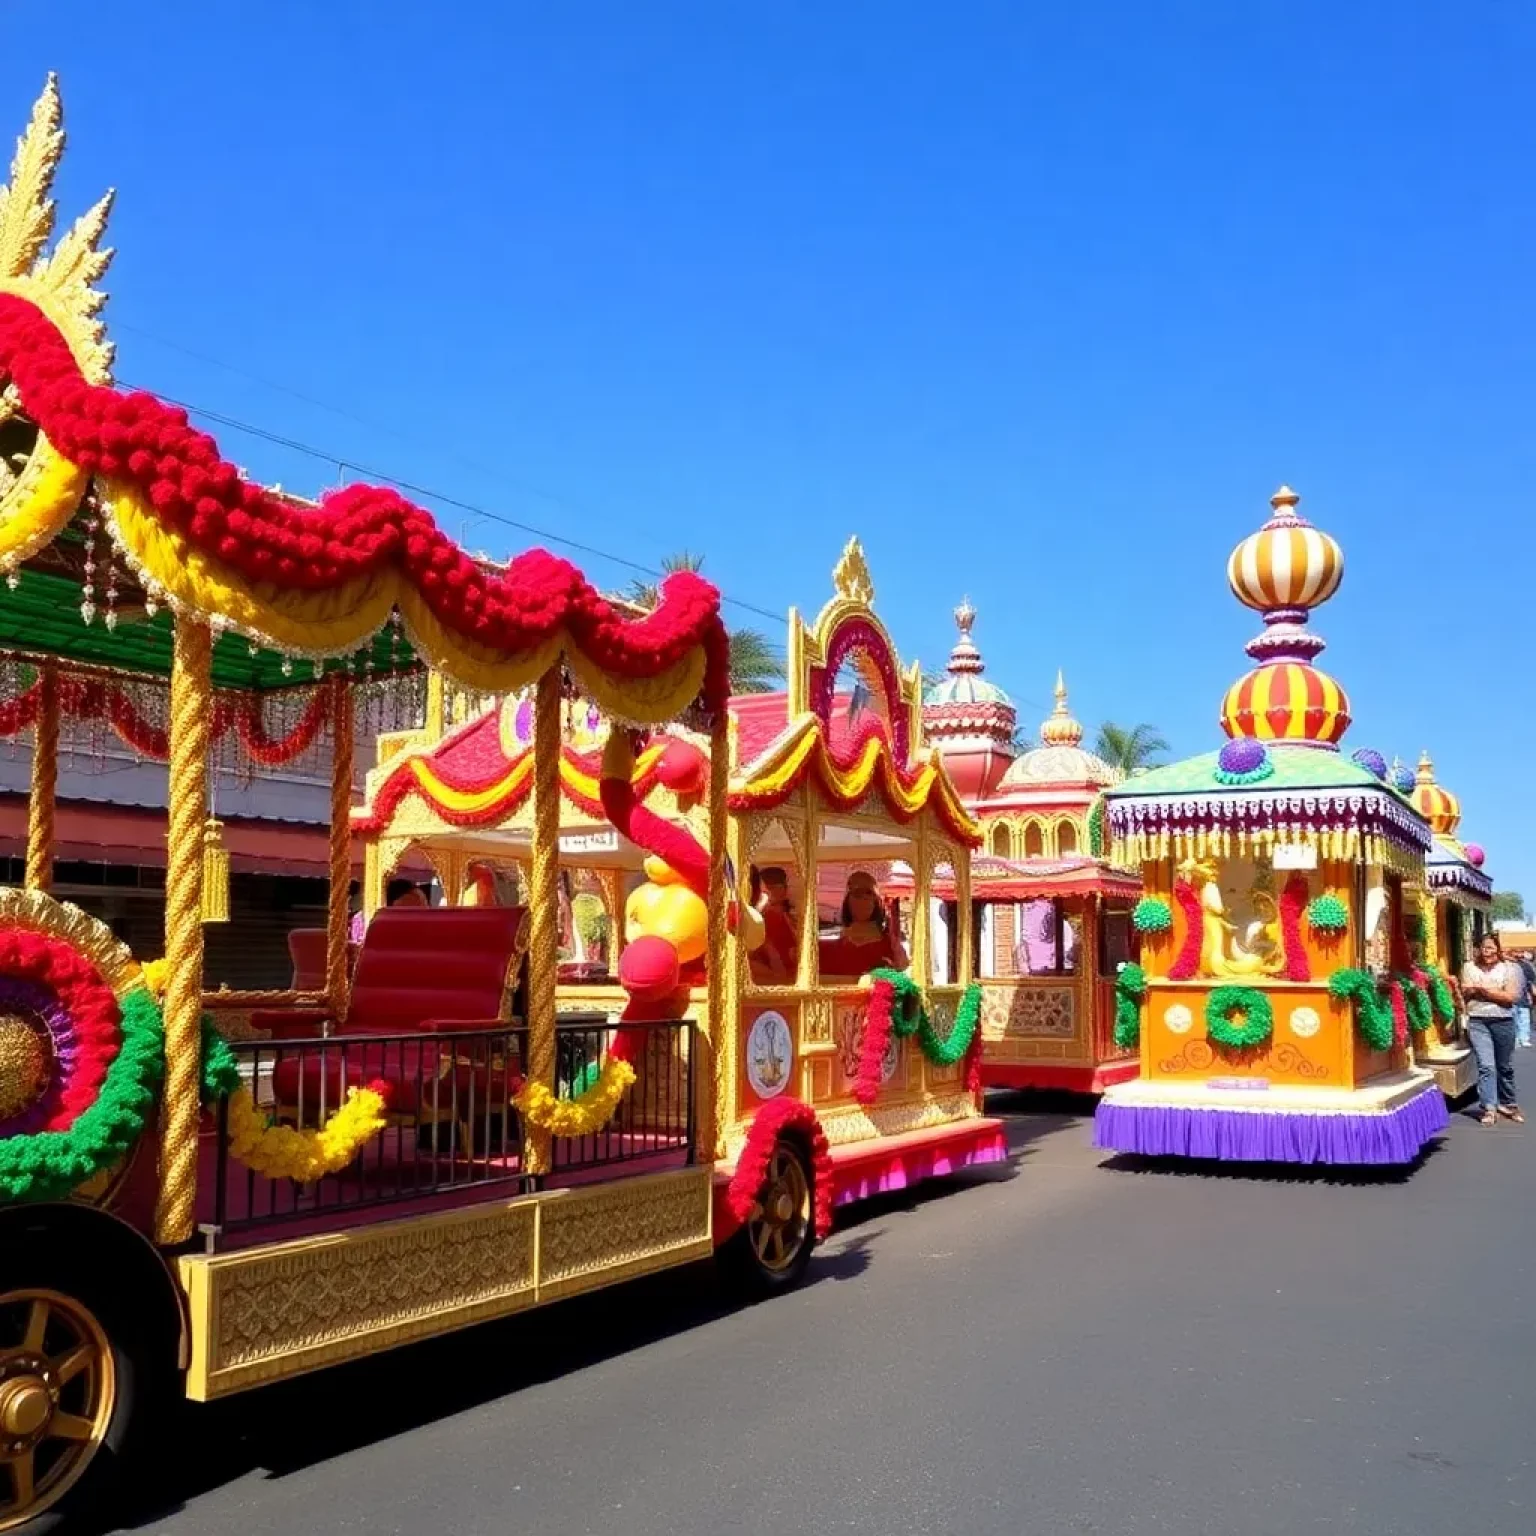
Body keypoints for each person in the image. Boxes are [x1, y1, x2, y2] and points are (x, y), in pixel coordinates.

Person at [1462, 932, 1523, 1125]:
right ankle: (1489, 1107)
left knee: (1504, 1066)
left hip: (1503, 1021)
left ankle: (1508, 1103)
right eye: (1483, 947)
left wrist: (1483, 991)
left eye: (1490, 947)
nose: (1486, 952)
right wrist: (1493, 992)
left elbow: (1511, 997)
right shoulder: (1469, 967)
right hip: (1478, 1021)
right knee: (1486, 1065)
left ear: (1498, 949)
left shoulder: (1510, 969)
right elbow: (1465, 991)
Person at [821, 871, 908, 978]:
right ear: (848, 900)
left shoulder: (889, 945)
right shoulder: (828, 950)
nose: (863, 898)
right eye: (857, 893)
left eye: (868, 893)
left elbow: (902, 967)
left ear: (876, 901)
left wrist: (896, 946)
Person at [750, 865, 797, 983]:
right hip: (780, 977)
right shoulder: (769, 916)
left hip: (782, 977)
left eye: (775, 887)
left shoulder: (780, 916)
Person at [1516, 949, 1536, 1048]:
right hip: (1516, 996)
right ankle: (1521, 1038)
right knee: (1521, 1018)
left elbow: (1531, 981)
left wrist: (1532, 992)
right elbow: (1532, 980)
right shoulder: (1525, 965)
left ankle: (1522, 1038)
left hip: (1522, 996)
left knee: (1522, 1018)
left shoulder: (1526, 966)